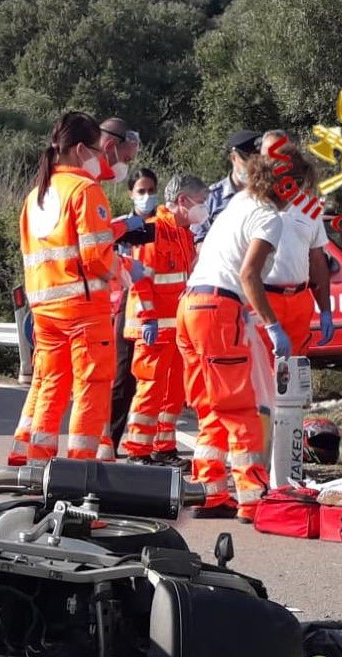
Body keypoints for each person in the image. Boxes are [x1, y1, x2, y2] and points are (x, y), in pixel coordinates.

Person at [176, 145, 318, 523]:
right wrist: (273, 325)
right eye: (299, 186)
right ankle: (253, 498)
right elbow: (249, 275)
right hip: (219, 310)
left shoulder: (240, 201)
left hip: (191, 306)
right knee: (241, 407)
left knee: (211, 407)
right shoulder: (268, 216)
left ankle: (210, 492)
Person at [10, 111, 150, 464]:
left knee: (51, 388)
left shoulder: (35, 196)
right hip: (83, 309)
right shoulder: (84, 191)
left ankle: (38, 467)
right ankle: (81, 477)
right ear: (80, 149)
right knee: (92, 387)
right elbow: (96, 259)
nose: (98, 158)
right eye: (95, 151)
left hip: (44, 309)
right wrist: (128, 267)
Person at [121, 174, 208, 470]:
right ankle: (137, 450)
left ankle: (163, 447)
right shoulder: (151, 230)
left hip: (176, 328)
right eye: (201, 202)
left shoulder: (183, 233)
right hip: (153, 328)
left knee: (173, 392)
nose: (204, 208)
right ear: (183, 201)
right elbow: (141, 279)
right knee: (150, 388)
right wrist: (148, 318)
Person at [256, 130, 334, 356]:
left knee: (295, 377)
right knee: (263, 377)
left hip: (299, 300)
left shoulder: (309, 205)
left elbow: (317, 259)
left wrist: (325, 310)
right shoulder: (251, 201)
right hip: (264, 298)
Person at [108, 168, 160, 453]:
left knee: (154, 383)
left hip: (159, 313)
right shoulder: (120, 227)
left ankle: (150, 445)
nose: (147, 196)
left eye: (151, 190)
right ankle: (110, 442)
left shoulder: (164, 227)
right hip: (126, 309)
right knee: (122, 380)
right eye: (141, 191)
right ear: (130, 193)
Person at [191, 129, 262, 248]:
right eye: (247, 160)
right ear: (233, 158)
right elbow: (199, 241)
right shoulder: (211, 198)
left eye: (257, 160)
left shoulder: (266, 193)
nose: (252, 166)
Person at [98, 117, 143, 185]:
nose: (126, 166)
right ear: (109, 146)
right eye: (126, 159)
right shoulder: (87, 184)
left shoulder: (91, 180)